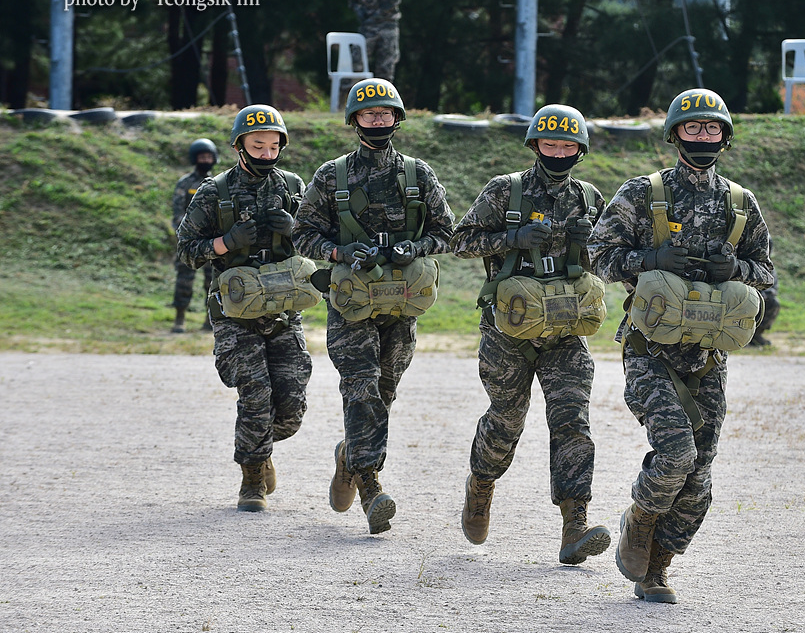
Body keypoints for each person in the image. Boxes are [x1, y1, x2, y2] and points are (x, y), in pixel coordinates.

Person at [590, 88, 774, 603]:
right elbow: (597, 256)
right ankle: (640, 519)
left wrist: (735, 269)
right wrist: (649, 260)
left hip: (708, 359)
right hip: (651, 354)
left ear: (725, 137)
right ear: (674, 135)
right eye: (692, 128)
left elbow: (767, 271)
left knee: (699, 482)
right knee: (675, 455)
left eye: (711, 129)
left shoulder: (740, 204)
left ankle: (657, 569)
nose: (702, 137)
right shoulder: (641, 195)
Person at [450, 104, 612, 566]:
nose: (558, 152)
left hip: (565, 333)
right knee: (507, 421)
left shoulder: (589, 198)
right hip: (509, 335)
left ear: (579, 149)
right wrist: (512, 238)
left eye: (567, 145)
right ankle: (481, 485)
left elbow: (608, 258)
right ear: (535, 144)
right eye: (550, 143)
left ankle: (574, 524)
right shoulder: (505, 190)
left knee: (572, 423)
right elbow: (459, 241)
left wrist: (590, 241)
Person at [293, 78, 454, 534]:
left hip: (401, 304)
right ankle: (371, 485)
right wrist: (341, 253)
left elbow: (447, 232)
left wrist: (415, 248)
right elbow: (303, 234)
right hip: (351, 304)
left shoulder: (418, 175)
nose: (379, 121)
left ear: (397, 119)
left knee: (383, 392)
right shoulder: (332, 176)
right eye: (369, 115)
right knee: (360, 387)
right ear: (355, 121)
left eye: (386, 114)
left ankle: (350, 453)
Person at [176, 104, 313, 513]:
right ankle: (251, 479)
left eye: (274, 146)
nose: (267, 153)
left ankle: (262, 448)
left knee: (290, 405)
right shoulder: (213, 192)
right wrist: (226, 242)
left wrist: (295, 228)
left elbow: (318, 241)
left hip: (284, 309)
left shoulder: (292, 185)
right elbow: (186, 250)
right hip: (235, 312)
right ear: (239, 145)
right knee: (255, 393)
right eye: (258, 145)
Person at [170, 138, 218, 333]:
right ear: (194, 158)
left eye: (208, 157)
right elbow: (177, 213)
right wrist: (187, 235)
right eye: (201, 157)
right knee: (184, 280)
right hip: (190, 242)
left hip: (212, 243)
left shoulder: (218, 183)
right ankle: (179, 318)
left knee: (212, 283)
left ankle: (209, 320)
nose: (205, 160)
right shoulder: (185, 183)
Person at [348, 0, 401, 83]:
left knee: (386, 66)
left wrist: (377, 15)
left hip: (387, 26)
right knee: (357, 63)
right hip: (367, 28)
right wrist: (359, 11)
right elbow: (352, 1)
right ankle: (354, 97)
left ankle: (383, 99)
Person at [748, 276, 780, 347]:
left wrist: (763, 295)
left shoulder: (770, 268)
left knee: (773, 303)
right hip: (745, 295)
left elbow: (773, 287)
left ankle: (756, 335)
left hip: (762, 297)